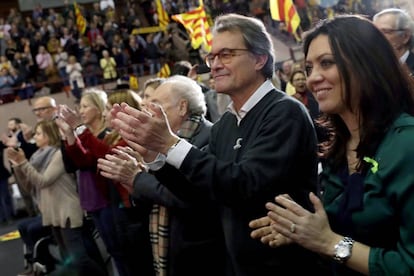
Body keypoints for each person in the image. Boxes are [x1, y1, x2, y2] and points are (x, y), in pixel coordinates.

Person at [110, 13, 323, 275]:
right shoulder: (224, 124)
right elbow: (199, 194)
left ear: (259, 59)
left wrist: (170, 142)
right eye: (212, 57)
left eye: (227, 55)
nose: (215, 65)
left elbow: (245, 185)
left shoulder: (284, 112)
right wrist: (157, 155)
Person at [250, 15, 414, 275]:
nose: (313, 78)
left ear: (367, 64)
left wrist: (328, 242)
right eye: (308, 68)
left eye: (327, 63)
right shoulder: (337, 148)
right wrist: (301, 228)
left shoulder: (407, 145)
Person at [97, 75, 225, 276]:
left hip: (200, 250)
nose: (146, 108)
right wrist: (136, 175)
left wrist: (137, 177)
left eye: (155, 103)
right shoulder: (164, 141)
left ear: (182, 107)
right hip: (173, 246)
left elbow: (182, 196)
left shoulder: (209, 137)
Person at [7, 120, 106, 276]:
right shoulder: (37, 157)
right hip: (53, 212)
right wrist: (17, 165)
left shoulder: (57, 154)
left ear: (49, 135)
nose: (35, 137)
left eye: (39, 133)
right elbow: (29, 186)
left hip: (67, 210)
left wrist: (23, 162)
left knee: (79, 259)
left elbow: (43, 181)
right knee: (68, 257)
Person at [373, 8, 414, 75]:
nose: (377, 36)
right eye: (375, 31)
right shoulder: (371, 66)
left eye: (385, 31)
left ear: (405, 36)